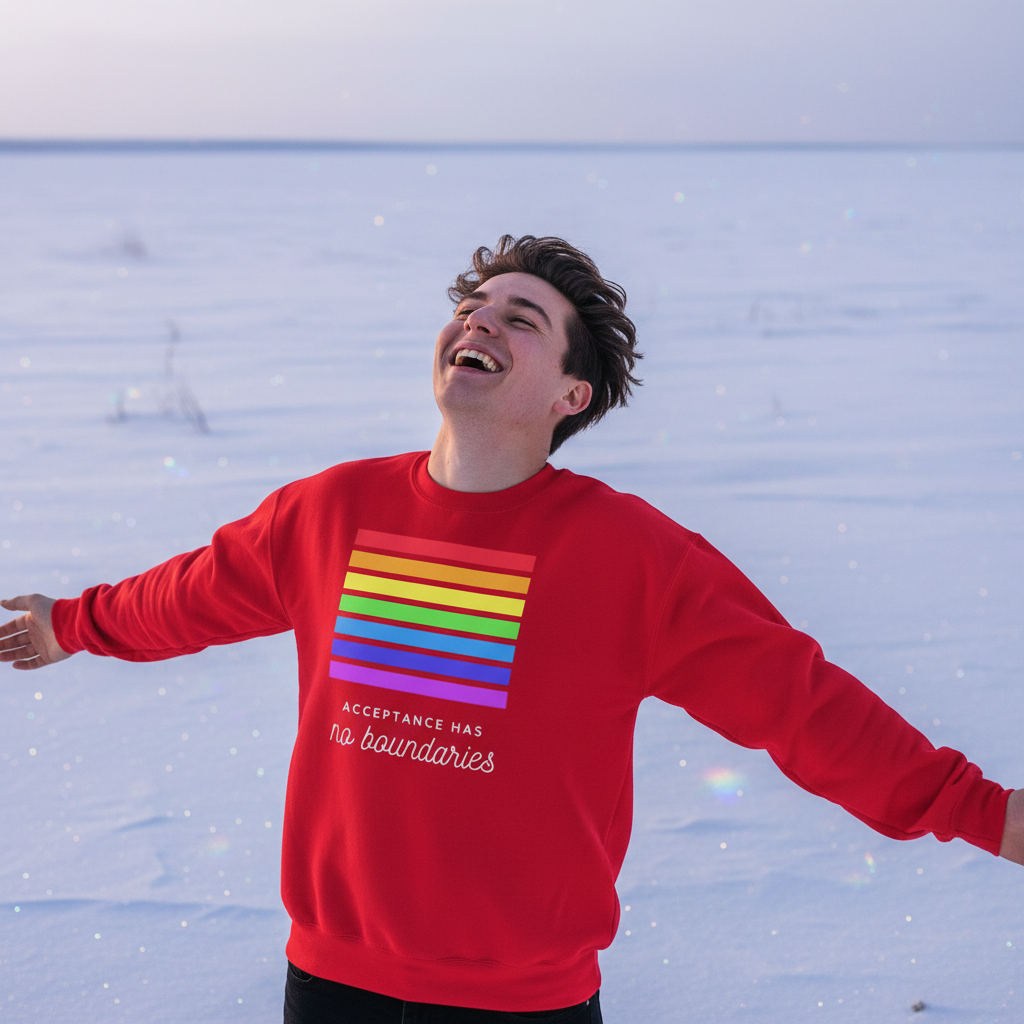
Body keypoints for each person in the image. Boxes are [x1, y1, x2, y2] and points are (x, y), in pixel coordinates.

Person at [2, 235, 1022, 1023]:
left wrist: (980, 810)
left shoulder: (631, 556)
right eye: (470, 305)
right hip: (328, 979)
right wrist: (75, 624)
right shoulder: (331, 510)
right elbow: (194, 591)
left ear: (569, 395)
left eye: (520, 317)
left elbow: (801, 704)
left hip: (519, 1001)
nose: (477, 320)